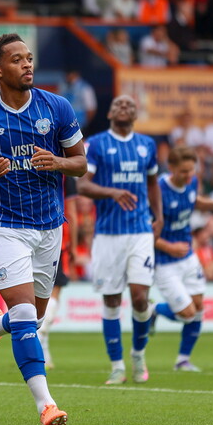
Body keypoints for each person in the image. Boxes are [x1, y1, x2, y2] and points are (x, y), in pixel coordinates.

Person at [0, 33, 86, 425]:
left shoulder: (56, 106)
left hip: (48, 226)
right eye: (17, 60)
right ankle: (47, 405)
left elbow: (81, 164)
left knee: (32, 319)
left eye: (29, 58)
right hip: (3, 225)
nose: (27, 64)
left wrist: (58, 162)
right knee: (26, 315)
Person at [77, 95, 162, 385]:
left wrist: (158, 216)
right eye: (118, 104)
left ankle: (138, 354)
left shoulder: (147, 145)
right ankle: (116, 365)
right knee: (111, 299)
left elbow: (152, 183)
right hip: (108, 234)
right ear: (110, 112)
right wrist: (112, 192)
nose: (124, 106)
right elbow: (83, 184)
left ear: (136, 114)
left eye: (130, 105)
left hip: (140, 230)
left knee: (140, 297)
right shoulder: (96, 144)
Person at [151, 145, 213, 372]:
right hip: (165, 262)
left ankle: (182, 360)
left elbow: (193, 200)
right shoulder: (157, 190)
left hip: (187, 256)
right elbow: (144, 231)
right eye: (184, 171)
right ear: (171, 167)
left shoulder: (192, 183)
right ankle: (154, 310)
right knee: (186, 313)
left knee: (197, 309)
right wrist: (168, 246)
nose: (189, 176)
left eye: (192, 171)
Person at [37, 175, 80, 369]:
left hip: (25, 230)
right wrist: (75, 244)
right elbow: (71, 209)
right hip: (56, 233)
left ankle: (42, 347)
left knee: (36, 291)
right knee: (54, 290)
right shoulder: (65, 171)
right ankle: (40, 331)